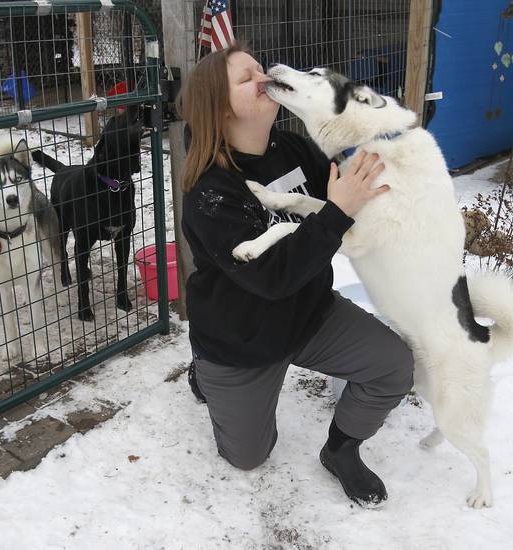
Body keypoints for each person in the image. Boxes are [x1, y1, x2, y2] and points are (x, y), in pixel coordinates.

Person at [177, 44, 414, 506]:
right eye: (246, 79)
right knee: (248, 457)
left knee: (393, 367)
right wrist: (338, 211)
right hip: (242, 340)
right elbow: (271, 277)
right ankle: (205, 376)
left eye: (259, 69)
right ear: (222, 108)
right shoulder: (209, 191)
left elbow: (349, 187)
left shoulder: (291, 147)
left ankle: (341, 450)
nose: (263, 78)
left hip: (309, 315)